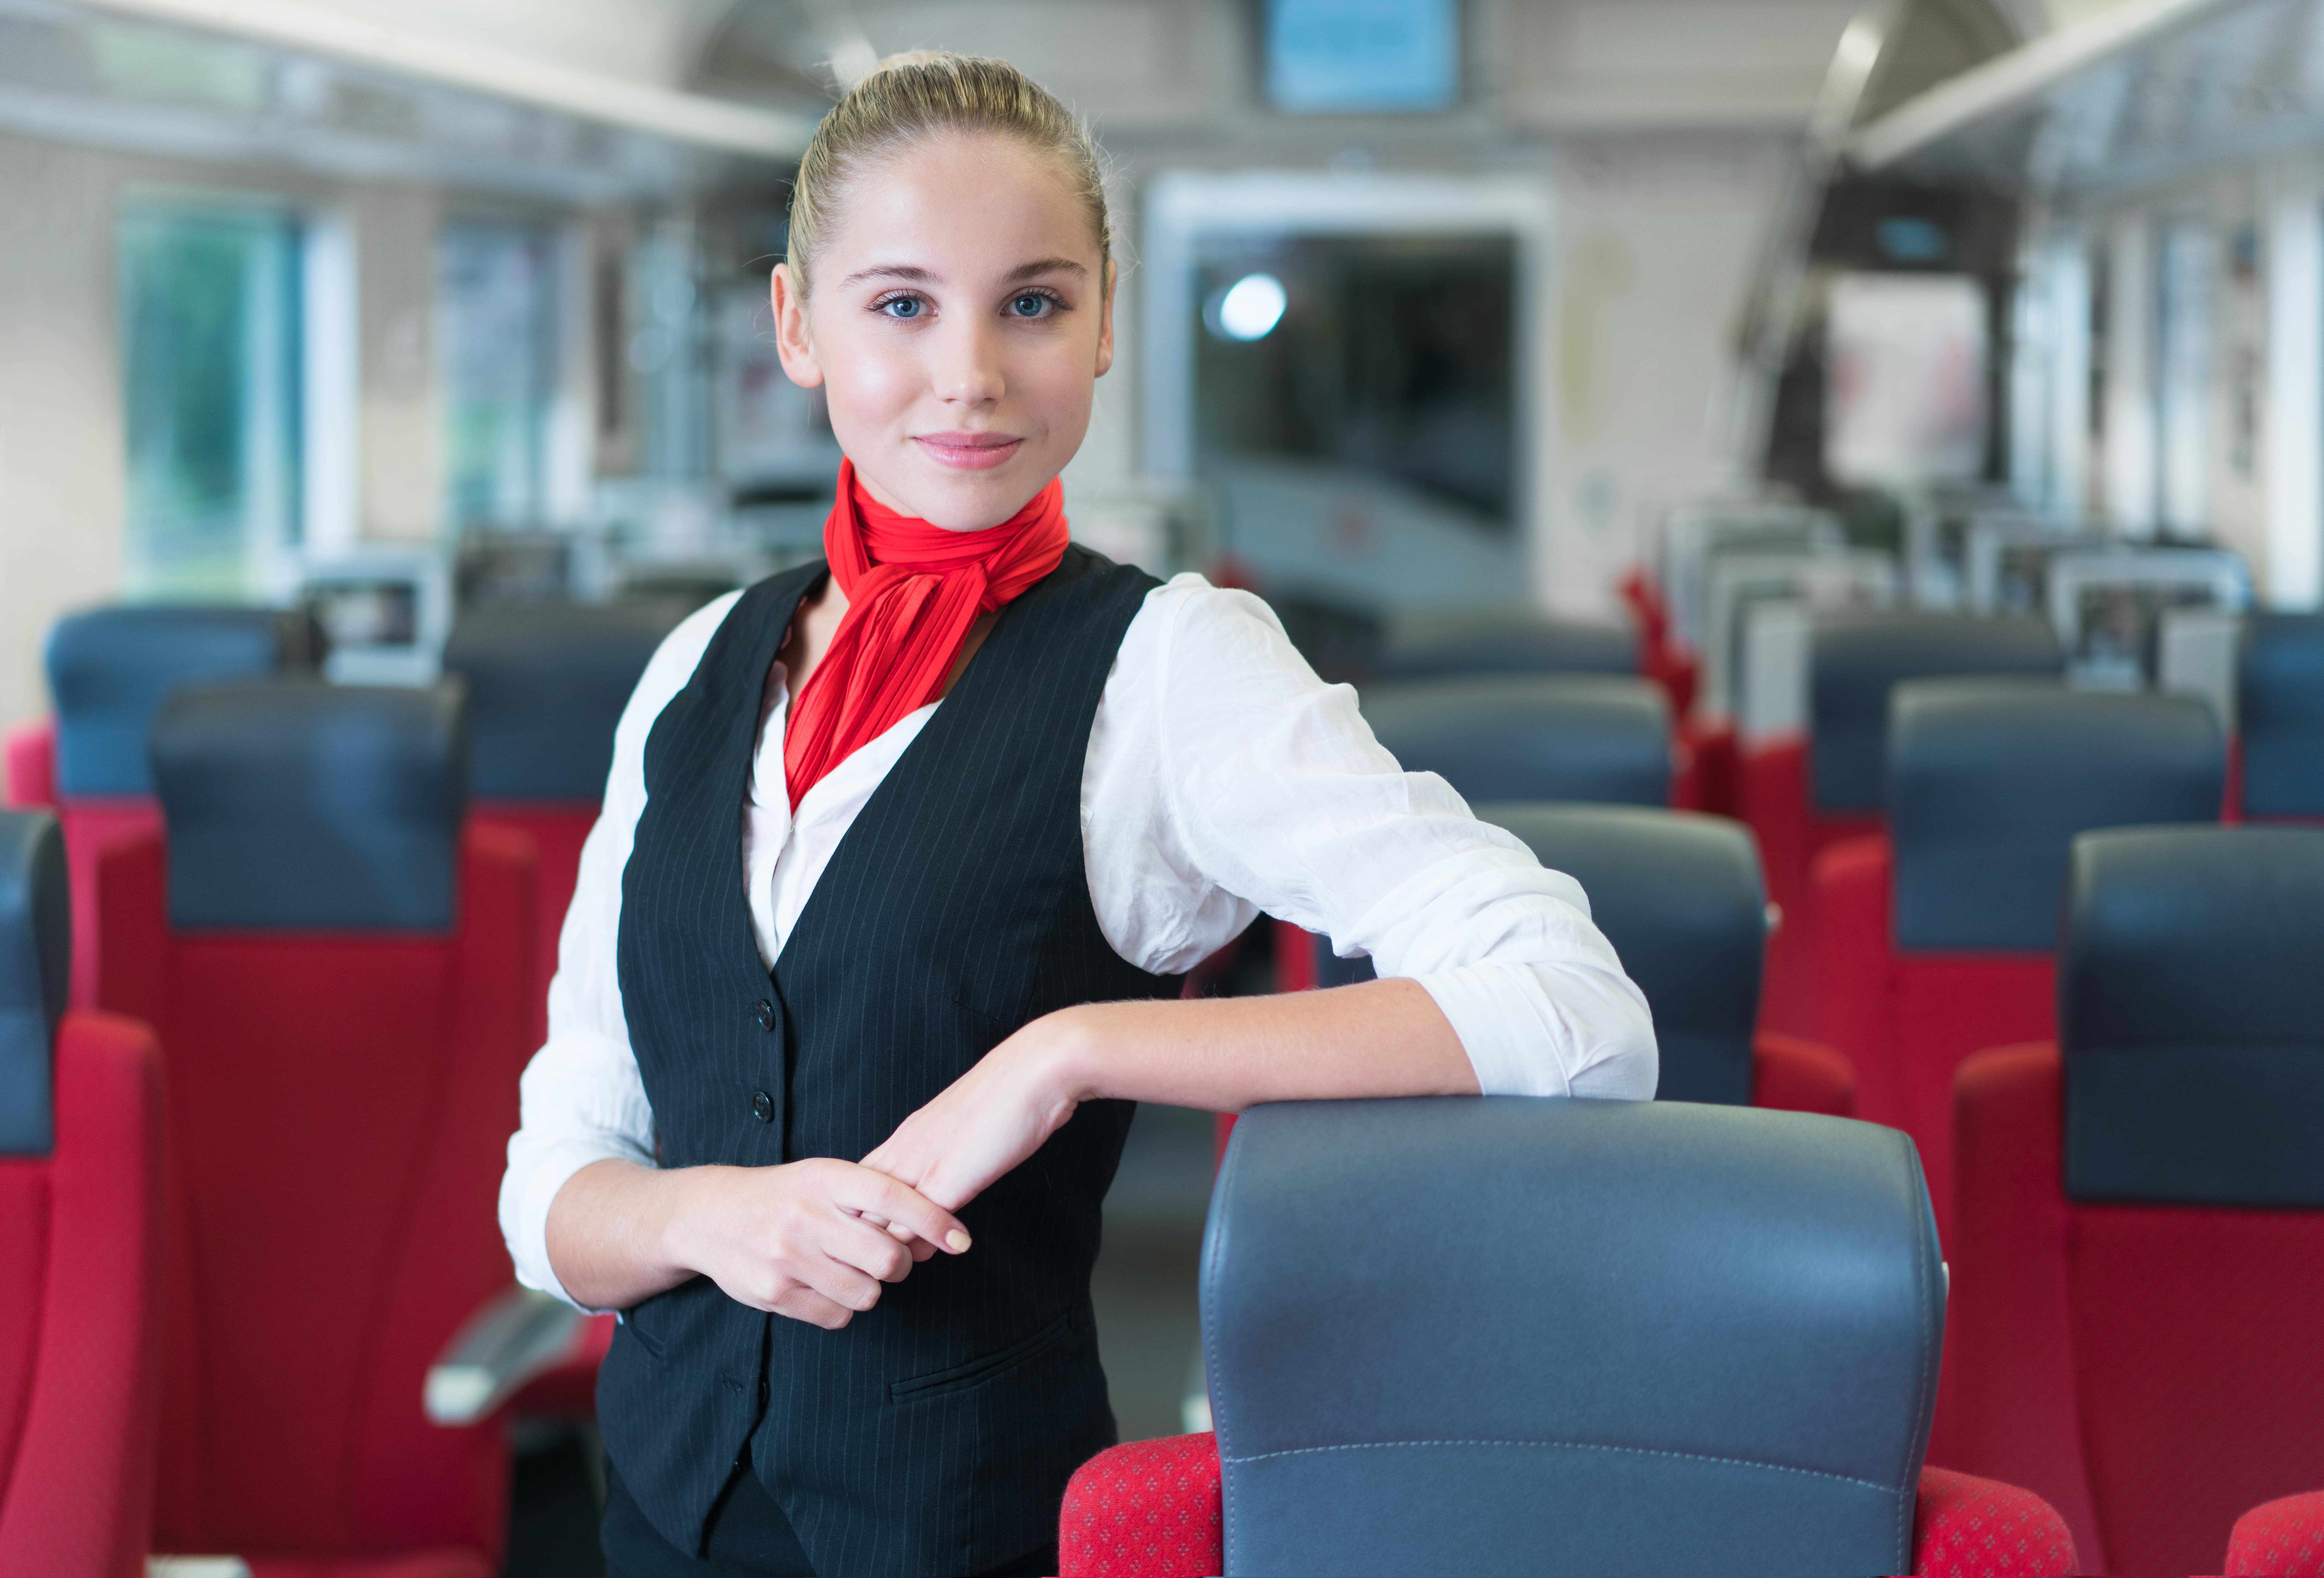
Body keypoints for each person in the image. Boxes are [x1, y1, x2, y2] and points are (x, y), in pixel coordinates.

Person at [499, 50, 1655, 1578]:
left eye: (1032, 303)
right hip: (654, 1524)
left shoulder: (1170, 667)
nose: (969, 373)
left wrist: (1077, 1052)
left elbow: (1579, 1019)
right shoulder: (692, 670)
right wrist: (707, 1218)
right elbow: (554, 1187)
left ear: (1106, 320)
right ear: (797, 324)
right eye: (901, 304)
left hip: (971, 1528)